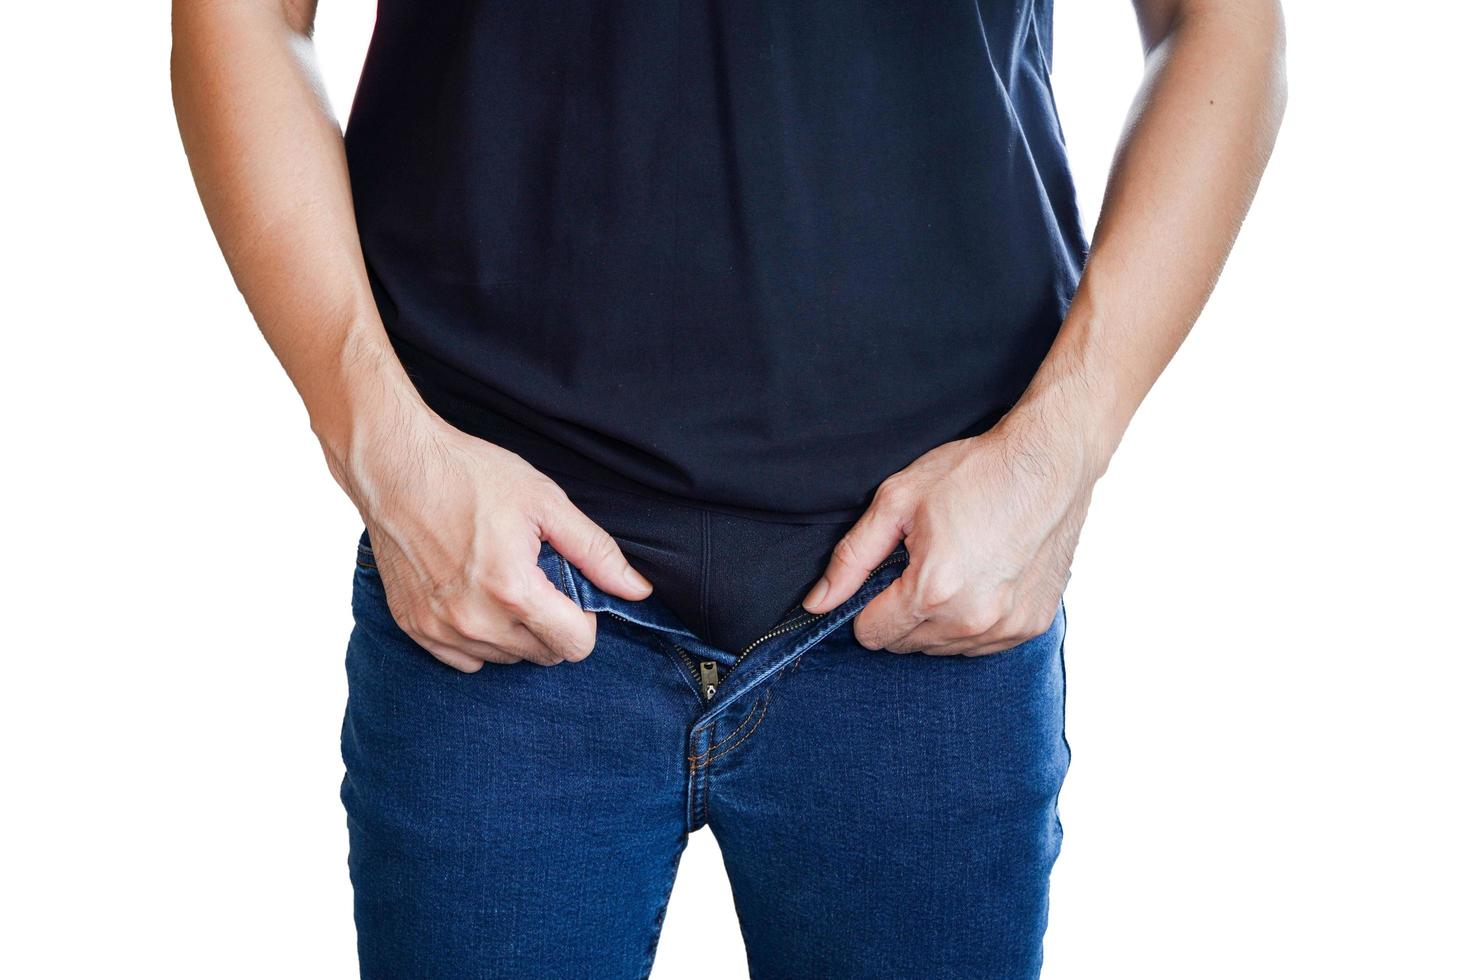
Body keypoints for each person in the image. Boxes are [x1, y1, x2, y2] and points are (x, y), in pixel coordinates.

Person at [173, 0, 1285, 975]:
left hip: (926, 594)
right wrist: (381, 442)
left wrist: (1062, 449)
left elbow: (1222, 21)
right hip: (500, 588)